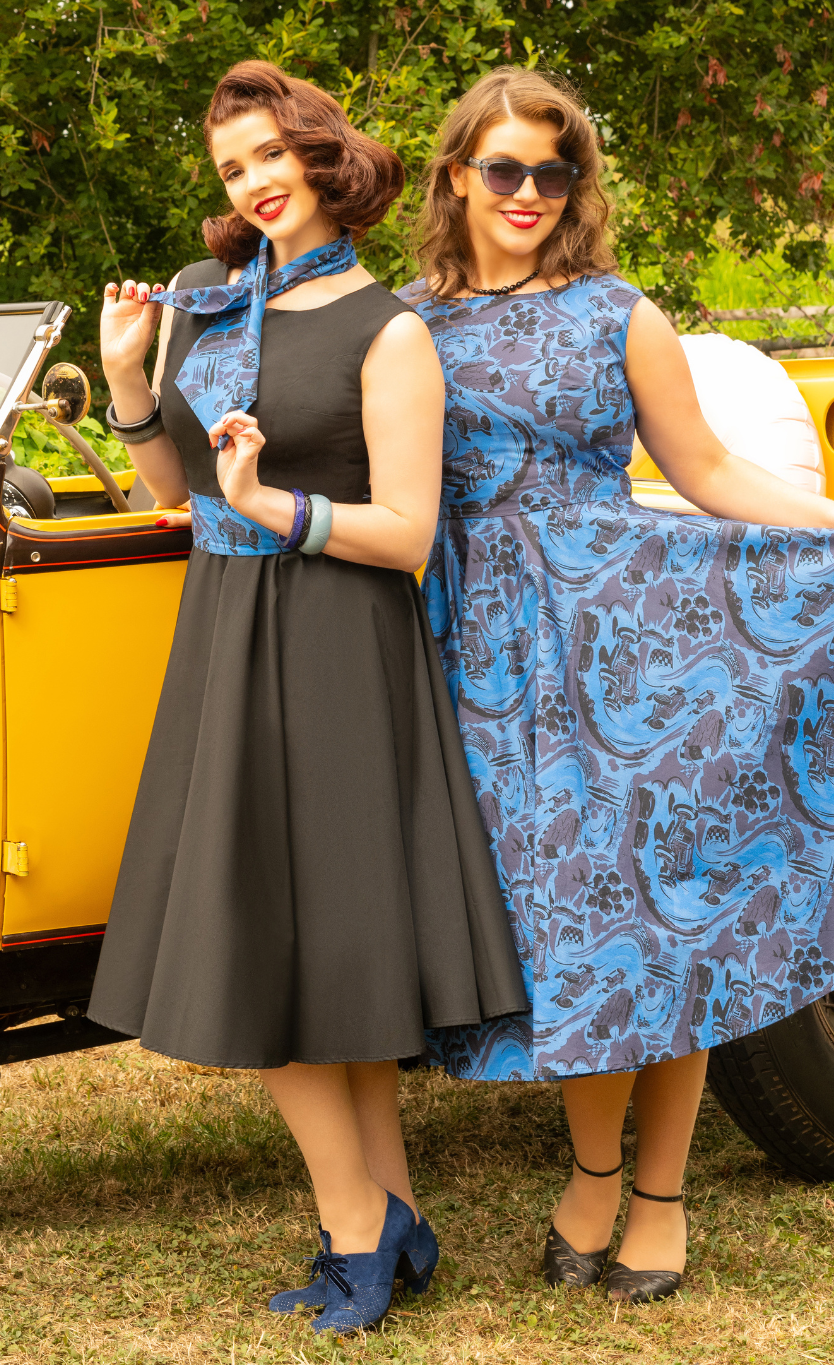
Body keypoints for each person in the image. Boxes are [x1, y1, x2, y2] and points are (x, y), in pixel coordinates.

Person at [398, 66, 834, 1305]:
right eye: (504, 168)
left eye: (551, 171)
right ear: (458, 174)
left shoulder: (616, 312)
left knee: (670, 921)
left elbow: (705, 469)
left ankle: (660, 1199)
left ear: (572, 185)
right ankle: (588, 1183)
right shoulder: (410, 326)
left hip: (637, 641)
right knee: (571, 942)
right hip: (484, 664)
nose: (527, 193)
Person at [86, 59, 527, 1338]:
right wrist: (126, 379)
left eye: (271, 155)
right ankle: (394, 1214)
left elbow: (407, 532)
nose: (254, 183)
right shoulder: (207, 306)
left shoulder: (388, 331)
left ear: (321, 156)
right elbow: (174, 495)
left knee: (288, 945)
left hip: (336, 643)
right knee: (295, 948)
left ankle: (358, 1234)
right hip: (227, 636)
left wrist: (283, 508)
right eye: (232, 170)